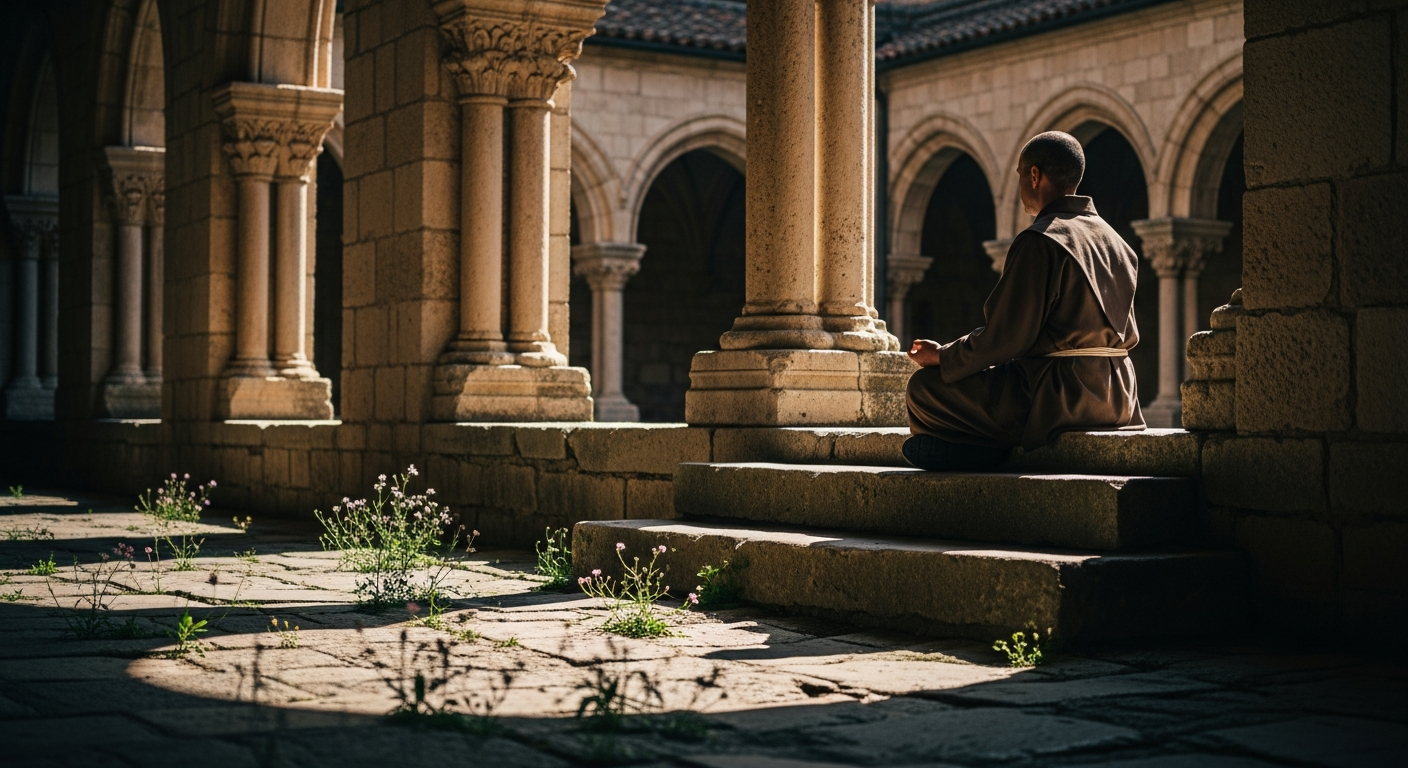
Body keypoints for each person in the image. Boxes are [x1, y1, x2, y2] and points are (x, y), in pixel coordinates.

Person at [903, 131, 1145, 472]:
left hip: (1058, 398)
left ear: (1034, 176)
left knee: (924, 388)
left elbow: (1004, 339)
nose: (1019, 186)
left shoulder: (1041, 239)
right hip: (1118, 396)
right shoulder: (1118, 243)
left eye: (1019, 175)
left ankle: (987, 451)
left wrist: (943, 356)